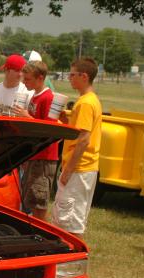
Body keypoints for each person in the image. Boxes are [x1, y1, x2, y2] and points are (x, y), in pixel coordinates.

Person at [52, 57, 102, 239]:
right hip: (84, 169)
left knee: (69, 220)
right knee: (70, 216)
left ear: (84, 76)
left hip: (79, 170)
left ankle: (71, 256)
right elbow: (80, 132)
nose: (69, 78)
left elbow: (83, 140)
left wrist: (68, 170)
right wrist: (67, 122)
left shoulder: (86, 103)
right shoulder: (89, 100)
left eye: (72, 75)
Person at [13, 60, 58, 221]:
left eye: (28, 79)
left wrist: (27, 117)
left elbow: (50, 129)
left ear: (40, 78)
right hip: (35, 156)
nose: (24, 82)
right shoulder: (35, 96)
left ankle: (39, 231)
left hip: (44, 158)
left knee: (39, 203)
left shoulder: (48, 97)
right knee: (31, 200)